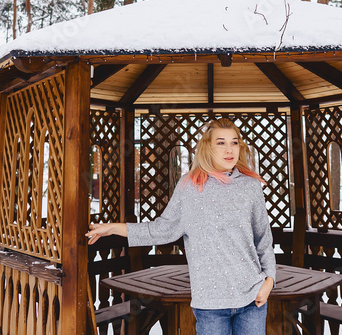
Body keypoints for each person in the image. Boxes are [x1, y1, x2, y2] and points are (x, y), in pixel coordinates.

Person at [87, 118, 276, 334]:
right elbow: (161, 230)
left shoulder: (250, 186)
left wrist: (269, 280)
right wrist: (113, 228)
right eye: (221, 143)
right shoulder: (190, 186)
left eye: (234, 142)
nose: (229, 149)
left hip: (252, 298)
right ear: (207, 147)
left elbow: (263, 239)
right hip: (210, 303)